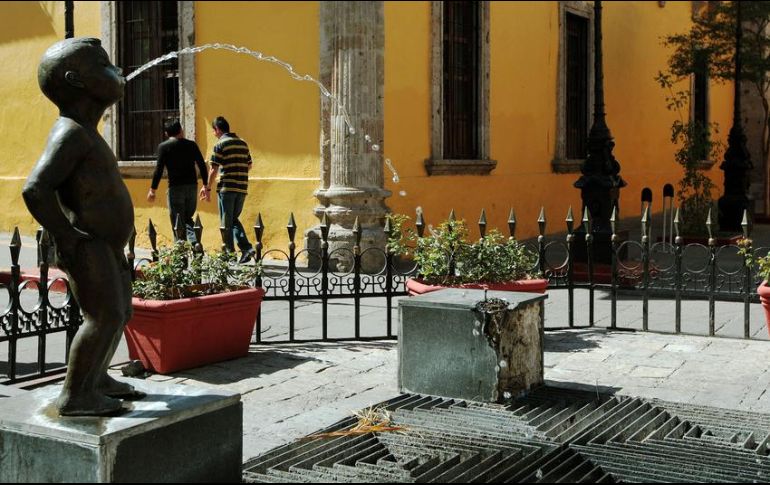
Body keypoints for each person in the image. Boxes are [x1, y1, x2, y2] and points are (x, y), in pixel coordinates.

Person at [23, 38, 143, 416]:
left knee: (120, 313)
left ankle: (97, 378)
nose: (118, 72)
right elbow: (36, 188)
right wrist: (65, 234)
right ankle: (76, 395)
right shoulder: (71, 133)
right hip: (87, 244)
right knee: (103, 316)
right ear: (77, 81)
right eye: (105, 66)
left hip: (105, 244)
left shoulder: (86, 131)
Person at [200, 116, 255, 264]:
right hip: (242, 187)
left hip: (227, 187)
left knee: (226, 222)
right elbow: (249, 165)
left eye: (213, 131)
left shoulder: (220, 144)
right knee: (233, 219)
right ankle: (245, 249)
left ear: (217, 129)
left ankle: (231, 253)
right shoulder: (243, 143)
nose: (214, 134)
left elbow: (213, 169)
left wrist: (207, 187)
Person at [147, 120, 209, 243]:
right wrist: (205, 186)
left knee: (177, 222)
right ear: (181, 130)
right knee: (187, 219)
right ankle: (195, 243)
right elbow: (202, 165)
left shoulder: (163, 147)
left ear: (166, 133)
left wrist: (152, 190)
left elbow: (159, 170)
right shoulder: (192, 145)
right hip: (192, 186)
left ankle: (180, 250)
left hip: (175, 188)